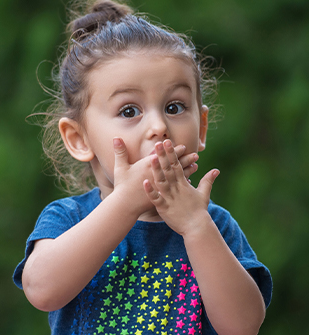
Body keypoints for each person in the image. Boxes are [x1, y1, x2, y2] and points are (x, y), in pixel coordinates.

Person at [13, 1, 272, 334]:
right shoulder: (68, 218)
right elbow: (42, 290)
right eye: (129, 111)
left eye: (174, 106)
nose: (158, 126)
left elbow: (243, 326)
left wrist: (195, 226)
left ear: (202, 127)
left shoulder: (213, 225)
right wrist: (125, 202)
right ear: (79, 139)